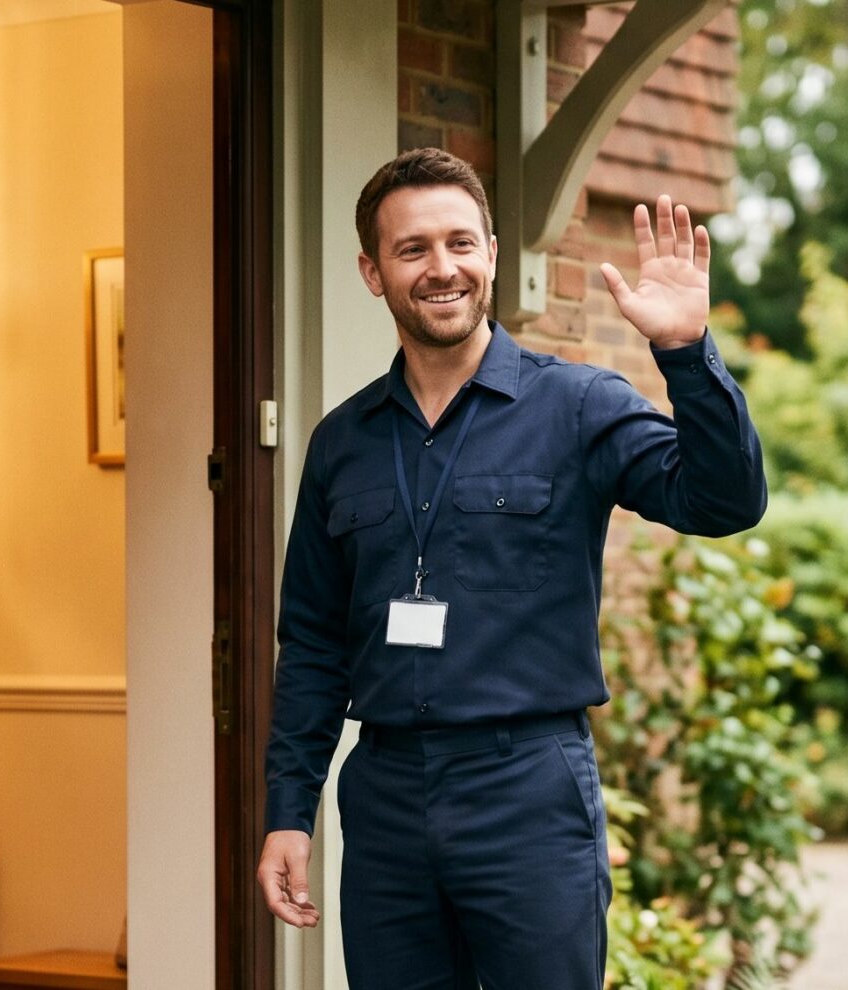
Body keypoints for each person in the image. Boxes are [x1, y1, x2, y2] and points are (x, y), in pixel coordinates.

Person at [257, 147, 766, 990]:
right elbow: (311, 642)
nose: (441, 267)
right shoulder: (341, 443)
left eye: (461, 243)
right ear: (372, 271)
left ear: (492, 253)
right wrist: (289, 813)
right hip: (384, 801)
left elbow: (723, 502)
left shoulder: (577, 406)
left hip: (526, 790)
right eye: (412, 249)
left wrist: (687, 353)